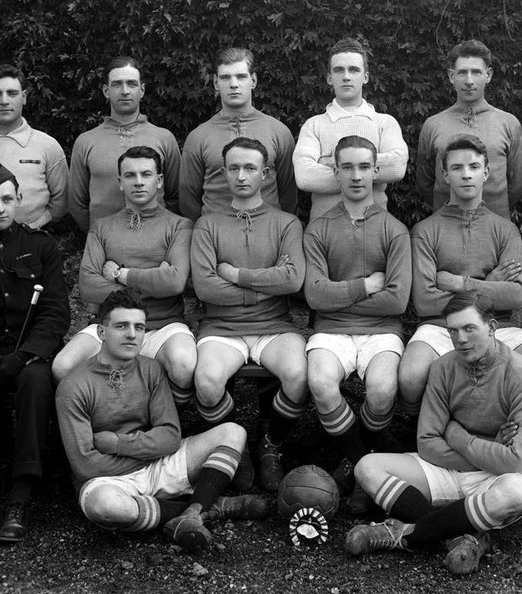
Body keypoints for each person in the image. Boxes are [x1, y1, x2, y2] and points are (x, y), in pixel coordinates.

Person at [345, 292, 522, 575]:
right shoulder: (443, 367)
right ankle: (464, 533)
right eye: (453, 330)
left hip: (500, 478)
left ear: (491, 327)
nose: (460, 338)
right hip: (454, 467)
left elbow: (517, 463)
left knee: (518, 492)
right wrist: (491, 448)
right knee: (367, 467)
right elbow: (427, 443)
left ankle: (405, 534)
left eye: (469, 328)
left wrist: (457, 435)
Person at [55, 290, 267, 550]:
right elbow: (85, 465)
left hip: (156, 464)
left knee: (233, 432)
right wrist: (147, 450)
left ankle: (192, 512)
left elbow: (169, 437)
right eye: (121, 326)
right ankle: (207, 508)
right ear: (101, 332)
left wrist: (118, 443)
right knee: (106, 507)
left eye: (139, 327)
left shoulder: (151, 369)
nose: (132, 334)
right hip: (109, 480)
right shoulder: (74, 385)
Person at [399, 134, 522, 416]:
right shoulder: (425, 231)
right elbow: (426, 302)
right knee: (410, 377)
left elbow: (516, 296)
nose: (466, 175)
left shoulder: (505, 229)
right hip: (440, 327)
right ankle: (421, 432)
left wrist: (462, 283)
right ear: (445, 174)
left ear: (486, 173)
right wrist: (491, 284)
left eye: (474, 167)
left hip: (499, 325)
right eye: (457, 168)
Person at [191, 137, 307, 491]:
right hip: (221, 328)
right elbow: (206, 288)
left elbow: (292, 279)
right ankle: (235, 447)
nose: (242, 175)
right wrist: (263, 287)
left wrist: (237, 277)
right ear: (224, 173)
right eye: (234, 168)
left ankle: (270, 445)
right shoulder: (206, 225)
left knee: (299, 376)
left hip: (274, 326)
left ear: (266, 173)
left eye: (250, 168)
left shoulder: (287, 223)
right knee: (208, 382)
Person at [303, 135, 411, 512]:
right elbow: (314, 296)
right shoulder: (318, 228)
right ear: (335, 172)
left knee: (382, 390)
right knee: (319, 382)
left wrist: (339, 297)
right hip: (330, 332)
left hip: (382, 332)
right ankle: (366, 463)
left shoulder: (395, 229)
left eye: (364, 166)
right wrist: (366, 286)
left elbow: (397, 299)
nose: (356, 175)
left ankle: (352, 463)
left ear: (376, 171)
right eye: (347, 167)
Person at [52, 146, 196, 408]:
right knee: (63, 366)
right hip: (110, 325)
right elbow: (88, 286)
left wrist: (121, 275)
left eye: (146, 174)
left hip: (163, 325)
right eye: (130, 175)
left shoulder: (180, 225)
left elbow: (175, 282)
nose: (139, 182)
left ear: (160, 180)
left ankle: (164, 421)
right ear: (120, 182)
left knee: (184, 364)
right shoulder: (102, 226)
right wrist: (155, 278)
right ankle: (106, 420)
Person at [0, 163, 70, 543]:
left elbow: (57, 312)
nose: (0, 208)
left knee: (34, 382)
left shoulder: (41, 246)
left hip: (29, 353)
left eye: (7, 199)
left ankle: (21, 495)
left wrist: (22, 356)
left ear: (19, 201)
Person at [293, 38, 408, 221]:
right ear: (330, 78)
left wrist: (331, 163)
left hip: (375, 229)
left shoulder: (384, 123)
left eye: (353, 70)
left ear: (366, 77)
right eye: (339, 70)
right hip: (324, 233)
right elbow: (305, 177)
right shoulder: (314, 125)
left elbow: (396, 168)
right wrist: (367, 167)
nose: (346, 76)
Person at [179, 48, 296, 220]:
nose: (233, 84)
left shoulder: (279, 132)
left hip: (269, 234)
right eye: (225, 77)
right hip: (214, 237)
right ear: (215, 82)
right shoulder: (198, 137)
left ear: (253, 80)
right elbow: (188, 199)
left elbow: (288, 193)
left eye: (241, 76)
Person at [416, 40, 522, 220]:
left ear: (488, 75)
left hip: (495, 225)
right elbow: (425, 182)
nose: (469, 81)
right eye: (462, 73)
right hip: (445, 226)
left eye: (476, 72)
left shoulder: (508, 123)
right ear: (451, 76)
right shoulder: (433, 125)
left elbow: (518, 184)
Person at [68, 56, 180, 232]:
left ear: (142, 90)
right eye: (117, 84)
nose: (125, 91)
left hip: (158, 243)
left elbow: (175, 196)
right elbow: (77, 202)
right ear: (106, 90)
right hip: (104, 245)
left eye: (132, 84)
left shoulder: (164, 138)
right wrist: (99, 235)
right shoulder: (86, 142)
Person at [0, 64, 68, 229]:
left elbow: (62, 200)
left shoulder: (47, 146)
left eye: (12, 93)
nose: (4, 101)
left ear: (23, 97)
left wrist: (32, 230)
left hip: (31, 247)